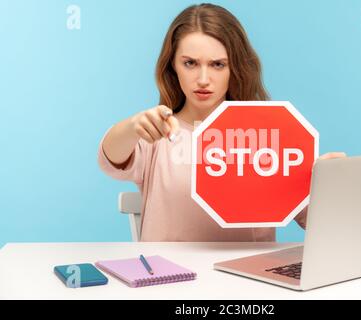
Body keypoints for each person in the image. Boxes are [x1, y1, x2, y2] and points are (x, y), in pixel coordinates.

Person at [98, 3, 345, 241]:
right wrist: (132, 127)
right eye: (190, 63)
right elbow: (111, 159)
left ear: (234, 68)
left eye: (218, 64)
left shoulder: (267, 139)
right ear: (173, 66)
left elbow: (320, 221)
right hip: (170, 279)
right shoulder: (157, 133)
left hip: (250, 279)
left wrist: (324, 185)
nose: (203, 79)